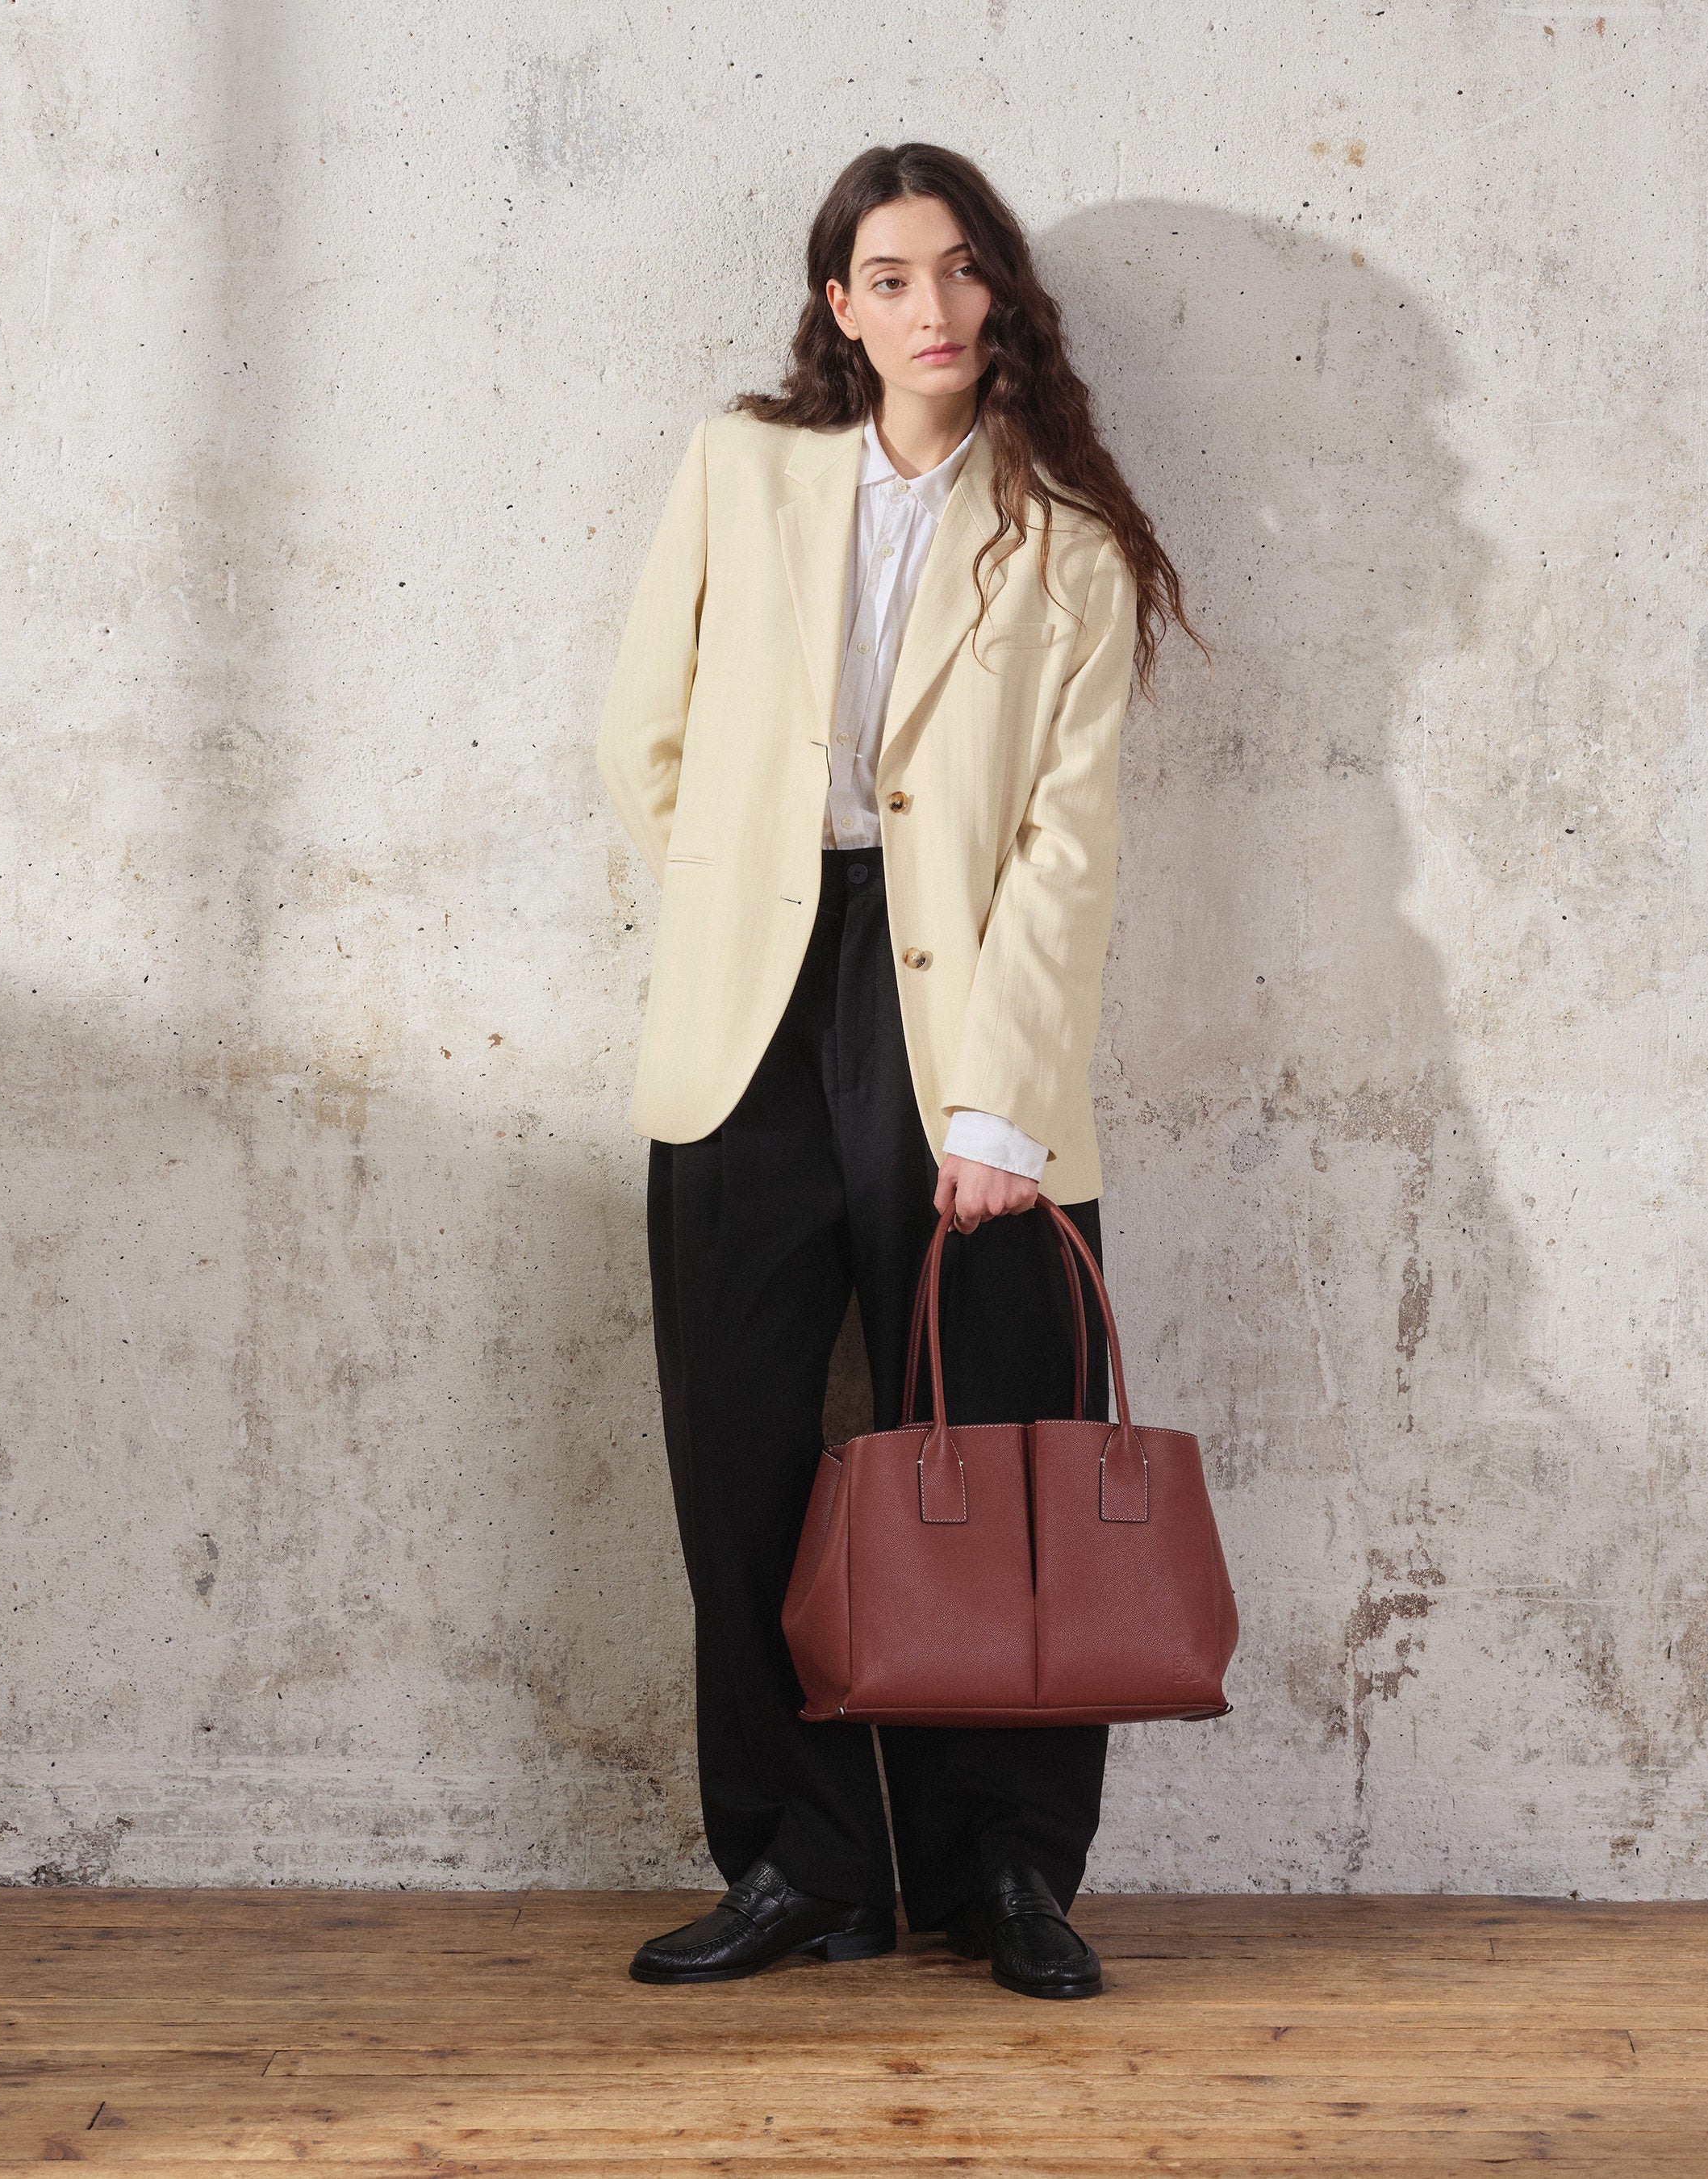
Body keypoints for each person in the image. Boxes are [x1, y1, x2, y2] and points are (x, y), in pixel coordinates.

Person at [594, 142, 1205, 1999]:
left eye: (958, 269)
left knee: (997, 1446)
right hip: (752, 1006)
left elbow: (1067, 850)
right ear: (837, 308)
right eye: (888, 276)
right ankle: (804, 1865)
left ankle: (1005, 1869)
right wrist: (745, 905)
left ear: (998, 290)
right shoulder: (742, 470)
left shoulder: (1067, 539)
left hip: (974, 1023)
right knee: (739, 1450)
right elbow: (645, 731)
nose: (929, 308)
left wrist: (998, 1099)